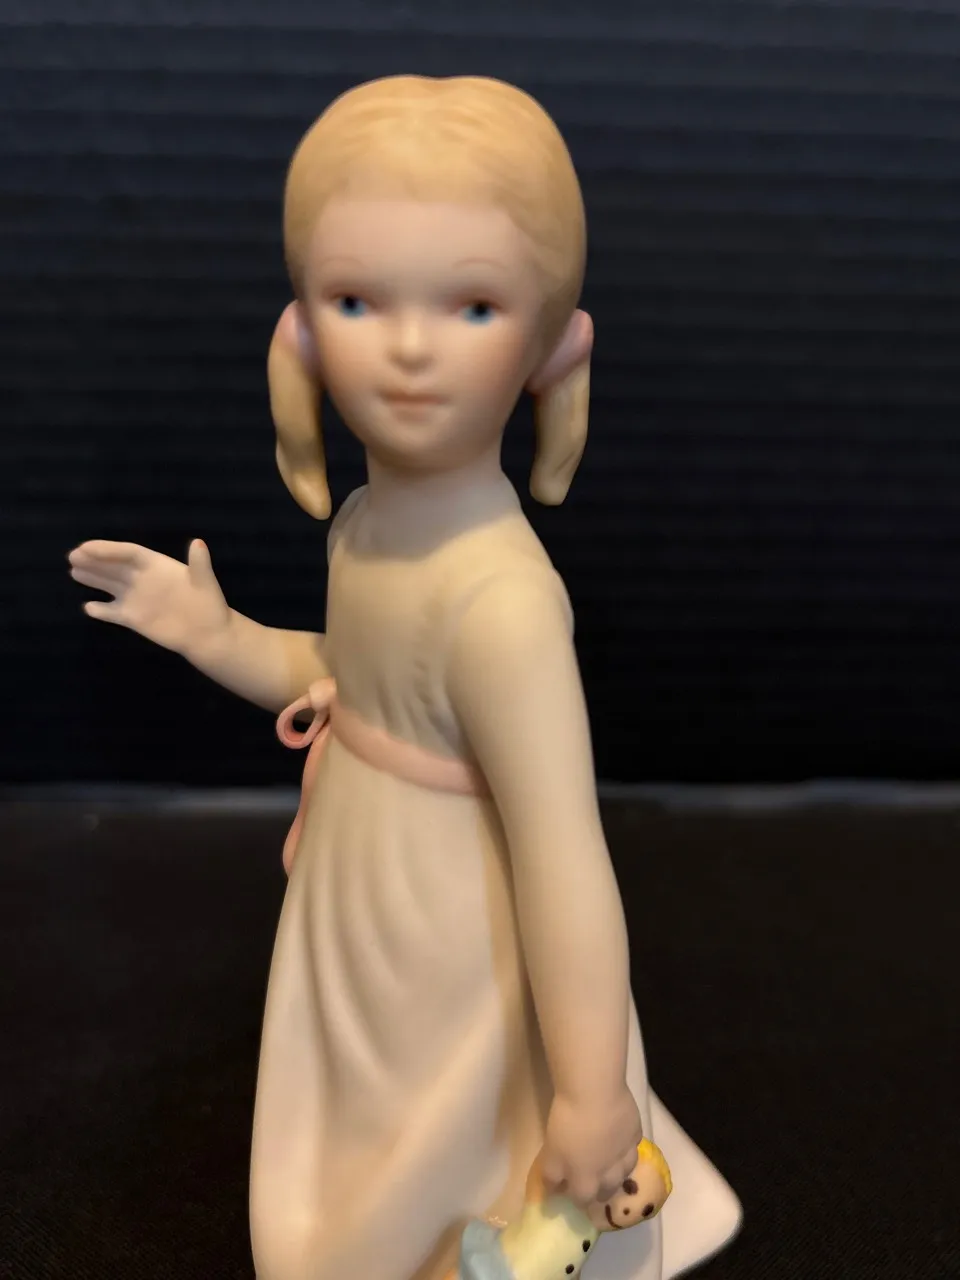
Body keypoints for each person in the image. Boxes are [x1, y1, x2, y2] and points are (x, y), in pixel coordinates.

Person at [69, 75, 740, 1280]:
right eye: (358, 299)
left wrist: (592, 1093)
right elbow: (354, 684)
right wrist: (214, 632)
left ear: (553, 345)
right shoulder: (366, 527)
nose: (413, 346)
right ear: (301, 333)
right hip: (361, 898)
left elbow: (564, 855)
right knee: (354, 1145)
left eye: (473, 304)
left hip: (455, 930)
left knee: (446, 1157)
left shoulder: (505, 604)